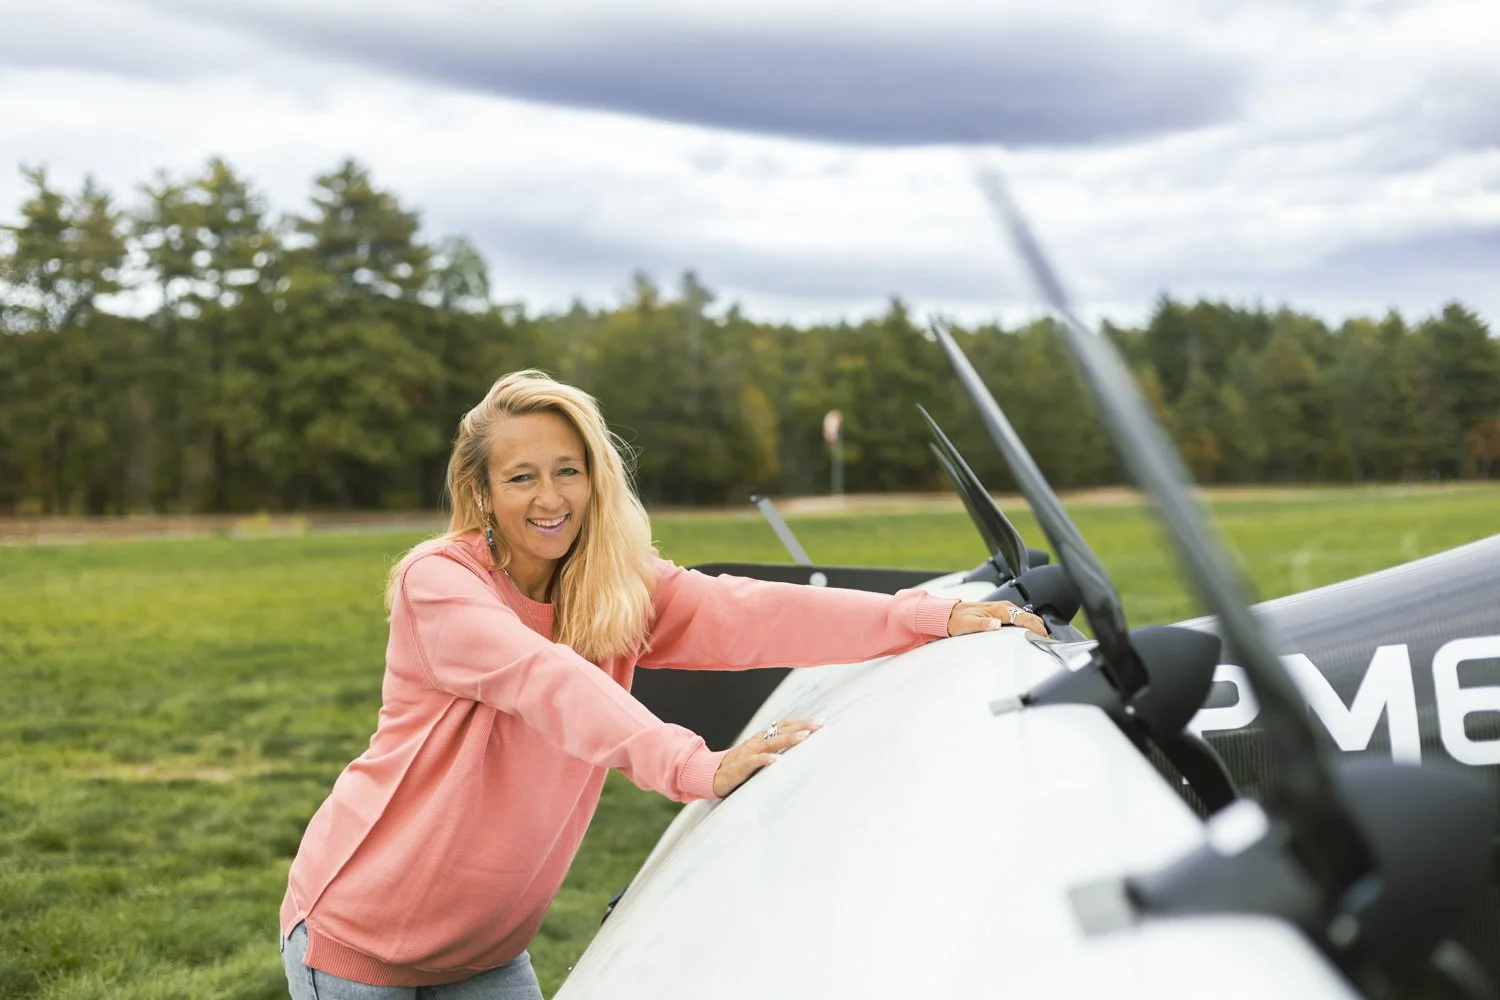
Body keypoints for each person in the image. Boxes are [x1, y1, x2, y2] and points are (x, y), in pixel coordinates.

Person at [278, 370, 1049, 999]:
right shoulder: (438, 583)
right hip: (360, 939)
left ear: (594, 477)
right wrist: (694, 766)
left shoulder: (615, 588)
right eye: (521, 478)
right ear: (481, 492)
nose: (550, 499)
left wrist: (935, 616)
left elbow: (756, 613)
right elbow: (547, 679)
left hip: (487, 952)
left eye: (567, 471)